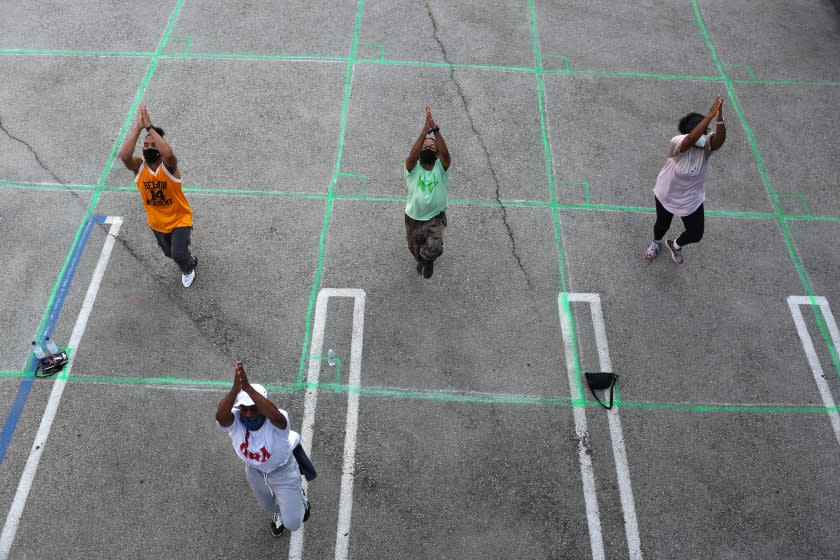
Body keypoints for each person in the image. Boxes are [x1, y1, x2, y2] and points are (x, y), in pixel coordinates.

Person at [216, 362, 314, 537]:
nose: (248, 413)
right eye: (244, 409)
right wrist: (235, 390)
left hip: (282, 471)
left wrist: (247, 388)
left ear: (262, 406)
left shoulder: (277, 420)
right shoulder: (236, 421)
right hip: (255, 471)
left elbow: (276, 416)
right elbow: (221, 417)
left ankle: (299, 498)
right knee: (268, 505)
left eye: (254, 408)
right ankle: (280, 511)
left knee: (293, 523)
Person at [119, 103, 197, 287]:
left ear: (160, 149)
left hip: (179, 219)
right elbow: (124, 156)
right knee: (170, 253)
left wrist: (149, 127)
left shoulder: (169, 167)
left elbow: (168, 153)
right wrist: (138, 128)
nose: (148, 147)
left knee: (178, 254)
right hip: (157, 223)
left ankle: (189, 266)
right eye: (145, 145)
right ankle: (186, 255)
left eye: (152, 144)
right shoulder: (139, 167)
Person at [645, 95, 726, 264]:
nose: (703, 136)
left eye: (704, 132)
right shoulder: (678, 142)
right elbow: (690, 139)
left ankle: (675, 245)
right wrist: (708, 116)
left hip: (690, 198)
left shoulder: (706, 147)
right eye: (700, 132)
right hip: (667, 192)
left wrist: (719, 118)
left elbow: (719, 141)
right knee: (662, 224)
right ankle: (656, 242)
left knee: (696, 234)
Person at [404, 105, 451, 279]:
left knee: (434, 246)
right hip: (413, 218)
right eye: (424, 146)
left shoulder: (441, 168)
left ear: (437, 154)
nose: (428, 148)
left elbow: (446, 154)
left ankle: (429, 260)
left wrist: (435, 131)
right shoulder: (412, 169)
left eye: (432, 147)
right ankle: (422, 260)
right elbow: (412, 155)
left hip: (434, 217)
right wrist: (424, 133)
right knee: (414, 249)